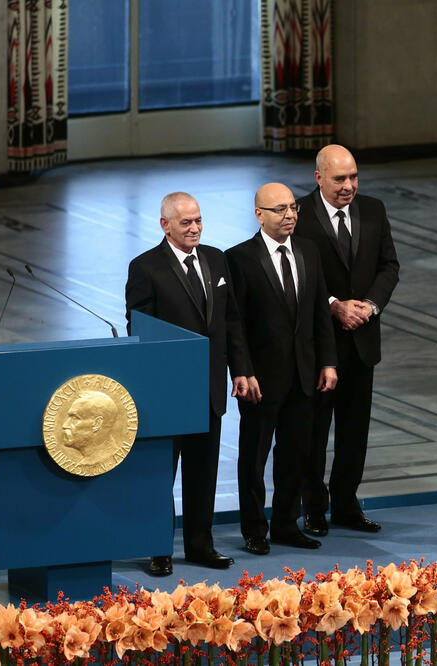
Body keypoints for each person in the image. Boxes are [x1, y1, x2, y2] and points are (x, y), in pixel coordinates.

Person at [126, 192, 260, 577]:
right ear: (165, 225)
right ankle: (158, 549)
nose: (195, 228)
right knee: (161, 475)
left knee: (203, 471)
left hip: (209, 389)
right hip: (167, 393)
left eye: (198, 220)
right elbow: (140, 330)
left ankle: (201, 545)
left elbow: (231, 321)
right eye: (186, 222)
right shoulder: (145, 268)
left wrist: (241, 370)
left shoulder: (217, 260)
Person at [225, 183, 338, 553]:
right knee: (254, 457)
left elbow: (320, 311)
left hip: (305, 375)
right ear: (259, 214)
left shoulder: (309, 250)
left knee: (296, 454)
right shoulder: (239, 258)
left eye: (293, 208)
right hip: (261, 379)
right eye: (280, 210)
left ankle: (287, 524)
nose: (289, 215)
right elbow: (235, 322)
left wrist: (327, 362)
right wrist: (242, 369)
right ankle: (255, 529)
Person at [293, 144, 400, 536]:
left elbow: (389, 266)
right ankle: (313, 507)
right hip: (321, 348)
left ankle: (346, 503)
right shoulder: (299, 217)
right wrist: (334, 305)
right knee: (315, 432)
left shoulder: (374, 210)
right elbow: (297, 279)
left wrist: (369, 306)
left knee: (355, 432)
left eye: (354, 177)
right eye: (340, 178)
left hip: (362, 341)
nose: (349, 186)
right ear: (318, 177)